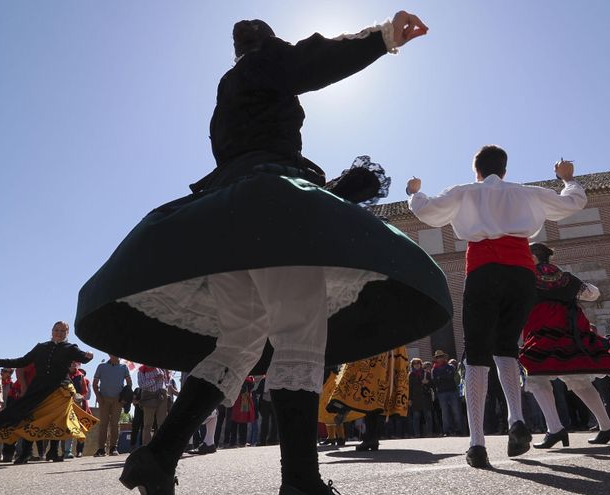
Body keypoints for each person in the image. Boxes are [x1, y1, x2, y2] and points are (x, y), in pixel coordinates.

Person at [74, 11, 451, 495]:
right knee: (298, 331)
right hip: (270, 206)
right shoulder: (267, 62)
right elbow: (314, 61)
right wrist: (381, 37)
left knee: (241, 340)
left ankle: (158, 455)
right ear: (269, 42)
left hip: (228, 217)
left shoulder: (229, 84)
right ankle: (300, 482)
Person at [407, 146, 586, 468]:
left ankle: (477, 443)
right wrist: (568, 178)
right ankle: (516, 418)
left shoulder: (464, 192)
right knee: (506, 347)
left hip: (483, 268)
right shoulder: (527, 193)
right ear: (504, 169)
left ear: (476, 169)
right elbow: (572, 202)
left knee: (477, 352)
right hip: (521, 271)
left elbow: (428, 213)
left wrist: (414, 193)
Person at [519, 244, 610, 450]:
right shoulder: (565, 277)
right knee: (578, 380)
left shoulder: (526, 276)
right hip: (570, 332)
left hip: (543, 331)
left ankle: (555, 429)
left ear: (534, 257)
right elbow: (592, 294)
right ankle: (607, 427)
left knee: (536, 378)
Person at [0, 322, 96, 464]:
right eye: (57, 330)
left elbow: (84, 358)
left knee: (58, 421)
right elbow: (23, 361)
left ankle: (53, 452)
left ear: (67, 333)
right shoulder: (41, 347)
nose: (59, 333)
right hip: (38, 389)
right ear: (52, 331)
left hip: (60, 390)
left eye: (63, 331)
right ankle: (25, 453)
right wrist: (0, 361)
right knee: (30, 418)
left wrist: (90, 355)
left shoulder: (70, 348)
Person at [325, 347, 409, 452]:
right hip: (391, 352)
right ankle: (372, 438)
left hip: (376, 352)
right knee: (376, 398)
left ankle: (344, 407)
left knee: (369, 392)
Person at [92, 354, 132, 457]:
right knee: (103, 424)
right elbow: (95, 383)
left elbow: (129, 383)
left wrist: (125, 397)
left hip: (118, 400)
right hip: (104, 398)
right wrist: (98, 397)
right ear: (109, 354)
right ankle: (101, 449)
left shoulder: (124, 367)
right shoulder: (101, 366)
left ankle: (113, 448)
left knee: (115, 424)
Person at [429, 350, 462, 437]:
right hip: (441, 393)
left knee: (456, 411)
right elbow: (435, 381)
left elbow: (451, 376)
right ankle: (446, 430)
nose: (439, 358)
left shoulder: (450, 366)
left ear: (444, 357)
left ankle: (458, 429)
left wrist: (441, 377)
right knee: (445, 413)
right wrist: (444, 376)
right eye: (438, 357)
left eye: (441, 356)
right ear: (436, 359)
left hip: (452, 391)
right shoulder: (434, 369)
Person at [137, 365, 169, 445]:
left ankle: (163, 445)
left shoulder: (160, 368)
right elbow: (142, 385)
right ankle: (146, 446)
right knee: (148, 424)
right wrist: (155, 379)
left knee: (162, 423)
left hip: (161, 396)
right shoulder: (141, 371)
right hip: (149, 398)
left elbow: (165, 382)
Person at [407, 358, 433, 437]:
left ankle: (430, 433)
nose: (416, 365)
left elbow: (432, 385)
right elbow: (410, 388)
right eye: (414, 364)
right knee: (416, 417)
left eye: (418, 363)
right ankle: (417, 434)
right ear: (412, 366)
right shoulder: (410, 375)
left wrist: (428, 382)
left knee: (428, 416)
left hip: (425, 397)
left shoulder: (427, 373)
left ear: (420, 364)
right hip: (415, 399)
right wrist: (409, 399)